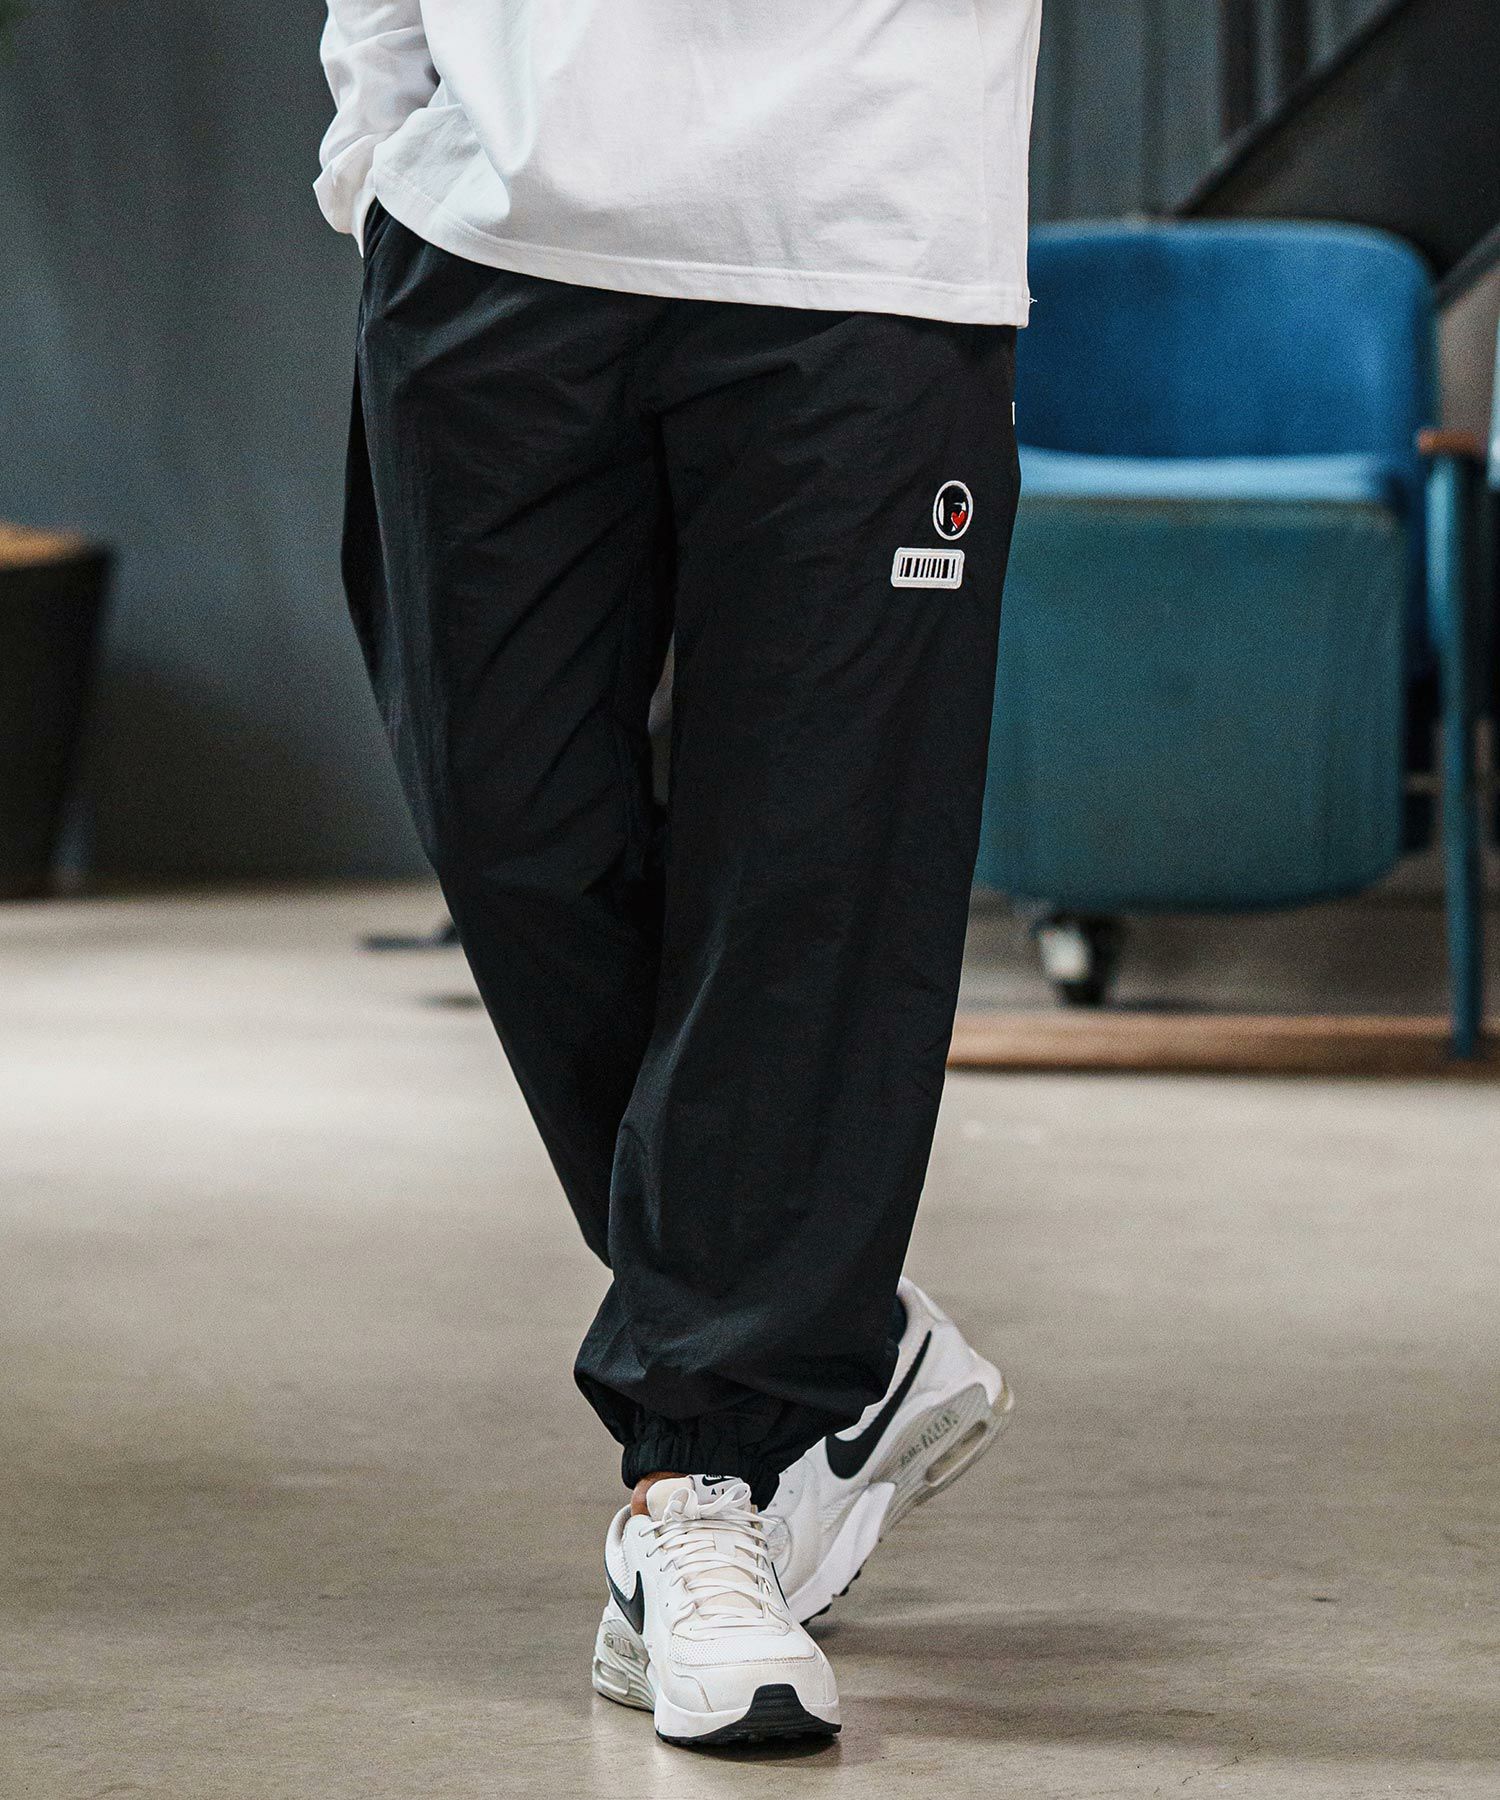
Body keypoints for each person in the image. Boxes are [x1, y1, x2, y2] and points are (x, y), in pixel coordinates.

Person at [316, 0, 1041, 1750]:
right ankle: (831, 1331)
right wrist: (377, 132)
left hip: (865, 226)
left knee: (815, 876)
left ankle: (704, 1479)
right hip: (491, 222)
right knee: (509, 825)